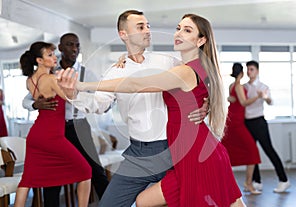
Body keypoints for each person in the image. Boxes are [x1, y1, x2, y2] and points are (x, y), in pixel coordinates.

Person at [58, 13, 245, 207]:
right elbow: (98, 104)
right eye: (140, 27)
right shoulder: (116, 70)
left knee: (209, 199)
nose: (148, 30)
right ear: (124, 34)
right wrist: (73, 93)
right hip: (139, 154)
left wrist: (205, 104)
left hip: (173, 151)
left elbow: (198, 80)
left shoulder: (169, 63)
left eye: (148, 25)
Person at [22, 33, 109, 206]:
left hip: (79, 126)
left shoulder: (86, 73)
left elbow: (102, 99)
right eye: (70, 45)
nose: (75, 49)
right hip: (55, 129)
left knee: (95, 170)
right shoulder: (49, 72)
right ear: (60, 48)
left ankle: (112, 203)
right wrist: (35, 105)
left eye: (77, 45)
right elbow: (26, 100)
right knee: (51, 178)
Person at [244, 60, 290, 193]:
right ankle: (256, 181)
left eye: (251, 69)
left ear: (257, 71)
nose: (249, 72)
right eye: (247, 69)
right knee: (252, 152)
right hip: (247, 122)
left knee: (269, 150)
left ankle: (284, 180)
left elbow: (270, 101)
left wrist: (265, 97)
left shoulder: (263, 87)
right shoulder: (245, 87)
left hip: (259, 122)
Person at [221, 63, 262, 195]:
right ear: (242, 73)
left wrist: (230, 98)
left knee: (228, 152)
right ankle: (248, 184)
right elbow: (243, 102)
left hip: (232, 121)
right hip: (236, 123)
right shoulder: (238, 86)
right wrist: (258, 96)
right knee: (253, 152)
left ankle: (227, 184)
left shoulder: (231, 86)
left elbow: (232, 99)